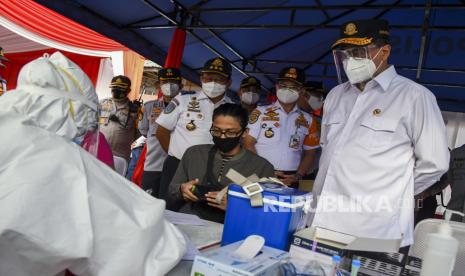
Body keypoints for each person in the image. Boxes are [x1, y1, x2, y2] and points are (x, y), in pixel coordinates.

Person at [0, 54, 185, 275]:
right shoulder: (61, 158)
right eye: (83, 127)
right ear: (69, 112)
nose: (84, 136)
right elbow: (139, 249)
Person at [310, 19, 449, 248]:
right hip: (321, 221)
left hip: (373, 229)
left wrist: (392, 195)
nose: (349, 61)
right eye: (344, 54)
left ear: (384, 52)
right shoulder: (335, 95)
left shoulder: (414, 97)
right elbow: (329, 150)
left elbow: (435, 163)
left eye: (357, 52)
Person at [169, 103, 275, 223]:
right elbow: (172, 189)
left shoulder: (262, 167)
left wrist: (236, 206)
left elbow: (268, 210)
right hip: (190, 219)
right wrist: (181, 190)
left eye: (230, 132)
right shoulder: (194, 153)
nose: (223, 137)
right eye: (217, 131)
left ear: (245, 132)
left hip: (231, 226)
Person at [156, 57, 234, 203]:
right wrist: (177, 156)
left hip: (212, 171)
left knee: (201, 214)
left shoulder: (233, 108)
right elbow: (161, 132)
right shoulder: (183, 100)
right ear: (201, 78)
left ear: (229, 82)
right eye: (209, 78)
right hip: (177, 165)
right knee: (169, 208)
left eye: (219, 79)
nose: (213, 83)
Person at [243, 66, 320, 188]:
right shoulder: (260, 112)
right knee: (256, 206)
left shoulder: (308, 119)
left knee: (284, 207)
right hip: (260, 173)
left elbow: (310, 152)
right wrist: (264, 170)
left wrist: (298, 175)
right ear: (277, 86)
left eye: (293, 87)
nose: (287, 90)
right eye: (283, 85)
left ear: (301, 91)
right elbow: (248, 143)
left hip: (290, 178)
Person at [139, 68, 182, 196]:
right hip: (153, 165)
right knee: (148, 202)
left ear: (181, 85)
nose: (169, 85)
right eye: (165, 82)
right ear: (158, 85)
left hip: (177, 168)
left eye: (173, 82)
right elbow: (143, 130)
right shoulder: (148, 107)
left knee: (170, 206)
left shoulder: (187, 108)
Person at [99, 75, 140, 160]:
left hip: (119, 156)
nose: (116, 90)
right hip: (98, 150)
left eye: (120, 88)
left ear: (128, 90)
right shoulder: (101, 103)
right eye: (114, 88)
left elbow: (139, 133)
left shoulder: (135, 110)